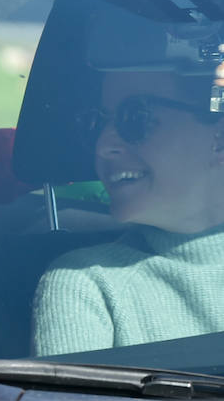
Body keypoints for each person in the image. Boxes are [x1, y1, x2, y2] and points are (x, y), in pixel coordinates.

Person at [31, 64, 224, 355]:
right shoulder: (87, 285)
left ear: (220, 139)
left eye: (135, 118)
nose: (103, 147)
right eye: (95, 123)